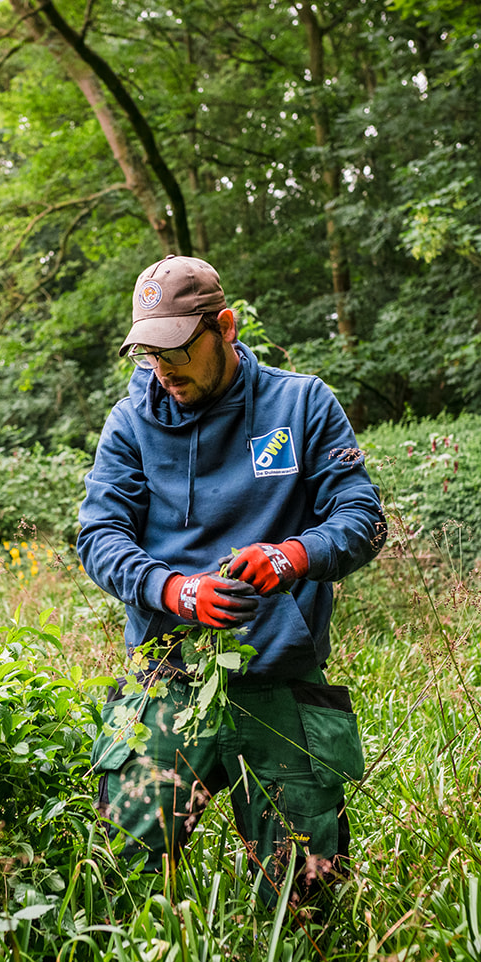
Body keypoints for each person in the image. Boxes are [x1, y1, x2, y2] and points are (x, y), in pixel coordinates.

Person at [77, 254, 386, 902]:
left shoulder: (301, 404)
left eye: (179, 348)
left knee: (307, 899)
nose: (163, 367)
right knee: (113, 886)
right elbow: (99, 537)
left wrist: (291, 557)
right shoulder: (130, 423)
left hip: (280, 685)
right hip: (165, 682)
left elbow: (363, 517)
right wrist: (176, 591)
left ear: (226, 326)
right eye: (150, 352)